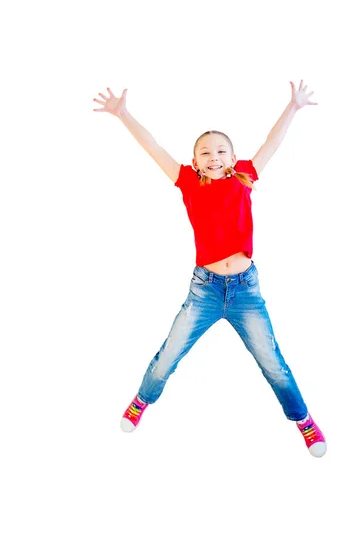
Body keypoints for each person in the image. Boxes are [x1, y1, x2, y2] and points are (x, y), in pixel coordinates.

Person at [92, 80, 326, 458]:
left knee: (273, 361)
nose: (213, 156)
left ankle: (303, 420)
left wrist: (293, 107)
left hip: (245, 290)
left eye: (221, 150)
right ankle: (142, 399)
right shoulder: (188, 182)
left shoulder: (245, 177)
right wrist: (122, 114)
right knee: (170, 352)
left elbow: (272, 143)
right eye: (205, 152)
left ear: (232, 158)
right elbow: (153, 146)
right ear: (195, 160)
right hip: (205, 289)